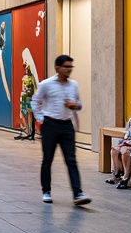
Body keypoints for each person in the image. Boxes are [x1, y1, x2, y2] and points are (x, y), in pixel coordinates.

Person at [32, 55, 90, 205]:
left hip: (66, 125)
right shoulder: (46, 84)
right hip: (50, 124)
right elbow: (35, 101)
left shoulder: (73, 85)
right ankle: (46, 191)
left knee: (71, 159)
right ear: (57, 68)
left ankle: (78, 193)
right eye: (66, 66)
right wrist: (41, 119)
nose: (69, 70)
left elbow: (80, 104)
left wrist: (74, 105)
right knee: (48, 159)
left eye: (71, 67)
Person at [16, 63, 37, 140]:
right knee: (26, 115)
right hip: (26, 97)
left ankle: (29, 132)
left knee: (28, 115)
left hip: (27, 98)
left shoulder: (29, 78)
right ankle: (29, 132)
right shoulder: (26, 78)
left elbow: (33, 89)